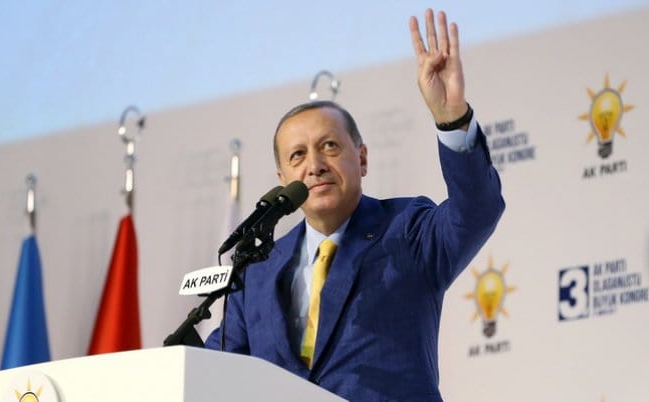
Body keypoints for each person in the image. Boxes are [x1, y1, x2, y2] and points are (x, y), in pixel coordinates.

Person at [205, 9, 505, 401]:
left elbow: (477, 210)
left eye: (329, 146)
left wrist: (452, 121)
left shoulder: (407, 230)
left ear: (361, 158)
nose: (314, 165)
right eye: (297, 155)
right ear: (283, 178)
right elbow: (215, 371)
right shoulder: (257, 272)